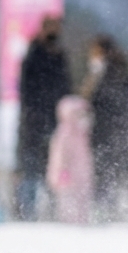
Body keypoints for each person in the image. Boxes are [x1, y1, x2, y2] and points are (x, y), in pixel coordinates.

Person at [16, 16, 71, 220]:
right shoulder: (33, 54)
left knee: (53, 171)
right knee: (30, 170)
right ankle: (26, 213)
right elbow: (25, 89)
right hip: (33, 123)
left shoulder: (60, 55)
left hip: (55, 122)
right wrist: (32, 114)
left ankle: (55, 212)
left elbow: (66, 88)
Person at [83, 35, 128, 218]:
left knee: (105, 177)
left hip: (105, 135)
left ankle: (105, 212)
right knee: (124, 179)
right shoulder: (124, 72)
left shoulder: (103, 74)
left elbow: (93, 101)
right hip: (124, 135)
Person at [45, 95, 93, 223]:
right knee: (68, 203)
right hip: (67, 176)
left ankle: (81, 221)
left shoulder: (82, 133)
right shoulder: (64, 133)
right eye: (78, 114)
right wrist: (62, 170)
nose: (82, 118)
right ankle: (69, 222)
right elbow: (59, 155)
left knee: (82, 201)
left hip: (82, 175)